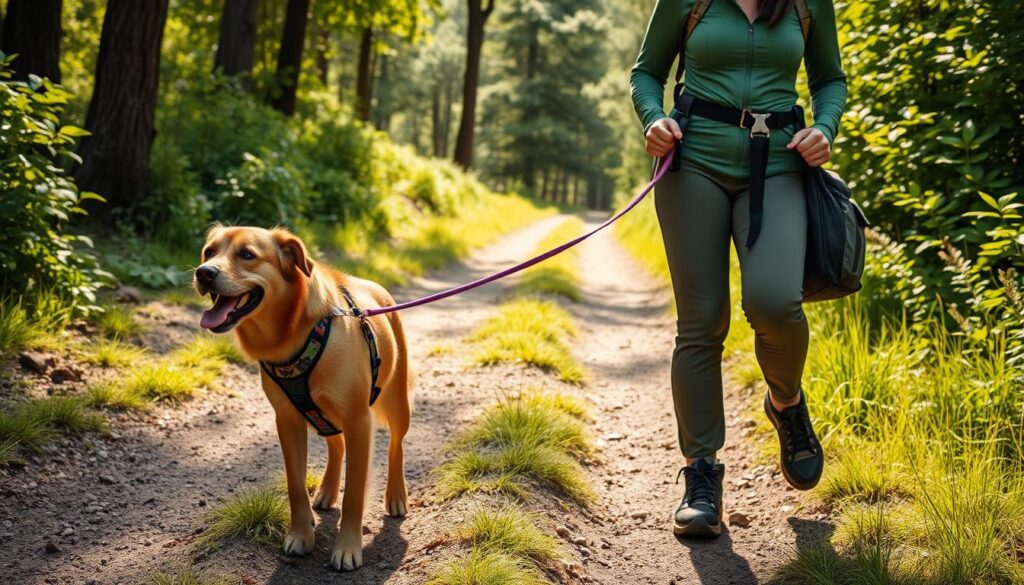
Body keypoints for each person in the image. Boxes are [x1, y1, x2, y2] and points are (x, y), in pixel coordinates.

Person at [630, 0, 846, 536]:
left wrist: (826, 127)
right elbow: (647, 73)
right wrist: (654, 118)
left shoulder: (807, 3)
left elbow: (830, 80)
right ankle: (701, 475)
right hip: (693, 161)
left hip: (778, 164)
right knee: (701, 322)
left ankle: (786, 402)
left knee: (774, 301)